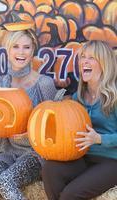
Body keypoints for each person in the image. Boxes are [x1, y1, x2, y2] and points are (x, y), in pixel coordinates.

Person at [0, 24, 65, 200]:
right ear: (7, 50)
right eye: (16, 47)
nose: (21, 52)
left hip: (34, 155)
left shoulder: (43, 84)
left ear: (33, 51)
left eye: (26, 47)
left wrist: (25, 134)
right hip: (5, 153)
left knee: (6, 181)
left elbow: (54, 133)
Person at [42, 40, 117, 200]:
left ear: (105, 64)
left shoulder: (114, 97)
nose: (85, 61)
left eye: (91, 58)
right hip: (84, 157)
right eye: (83, 57)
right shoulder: (79, 97)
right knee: (50, 169)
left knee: (70, 195)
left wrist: (99, 139)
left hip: (111, 160)